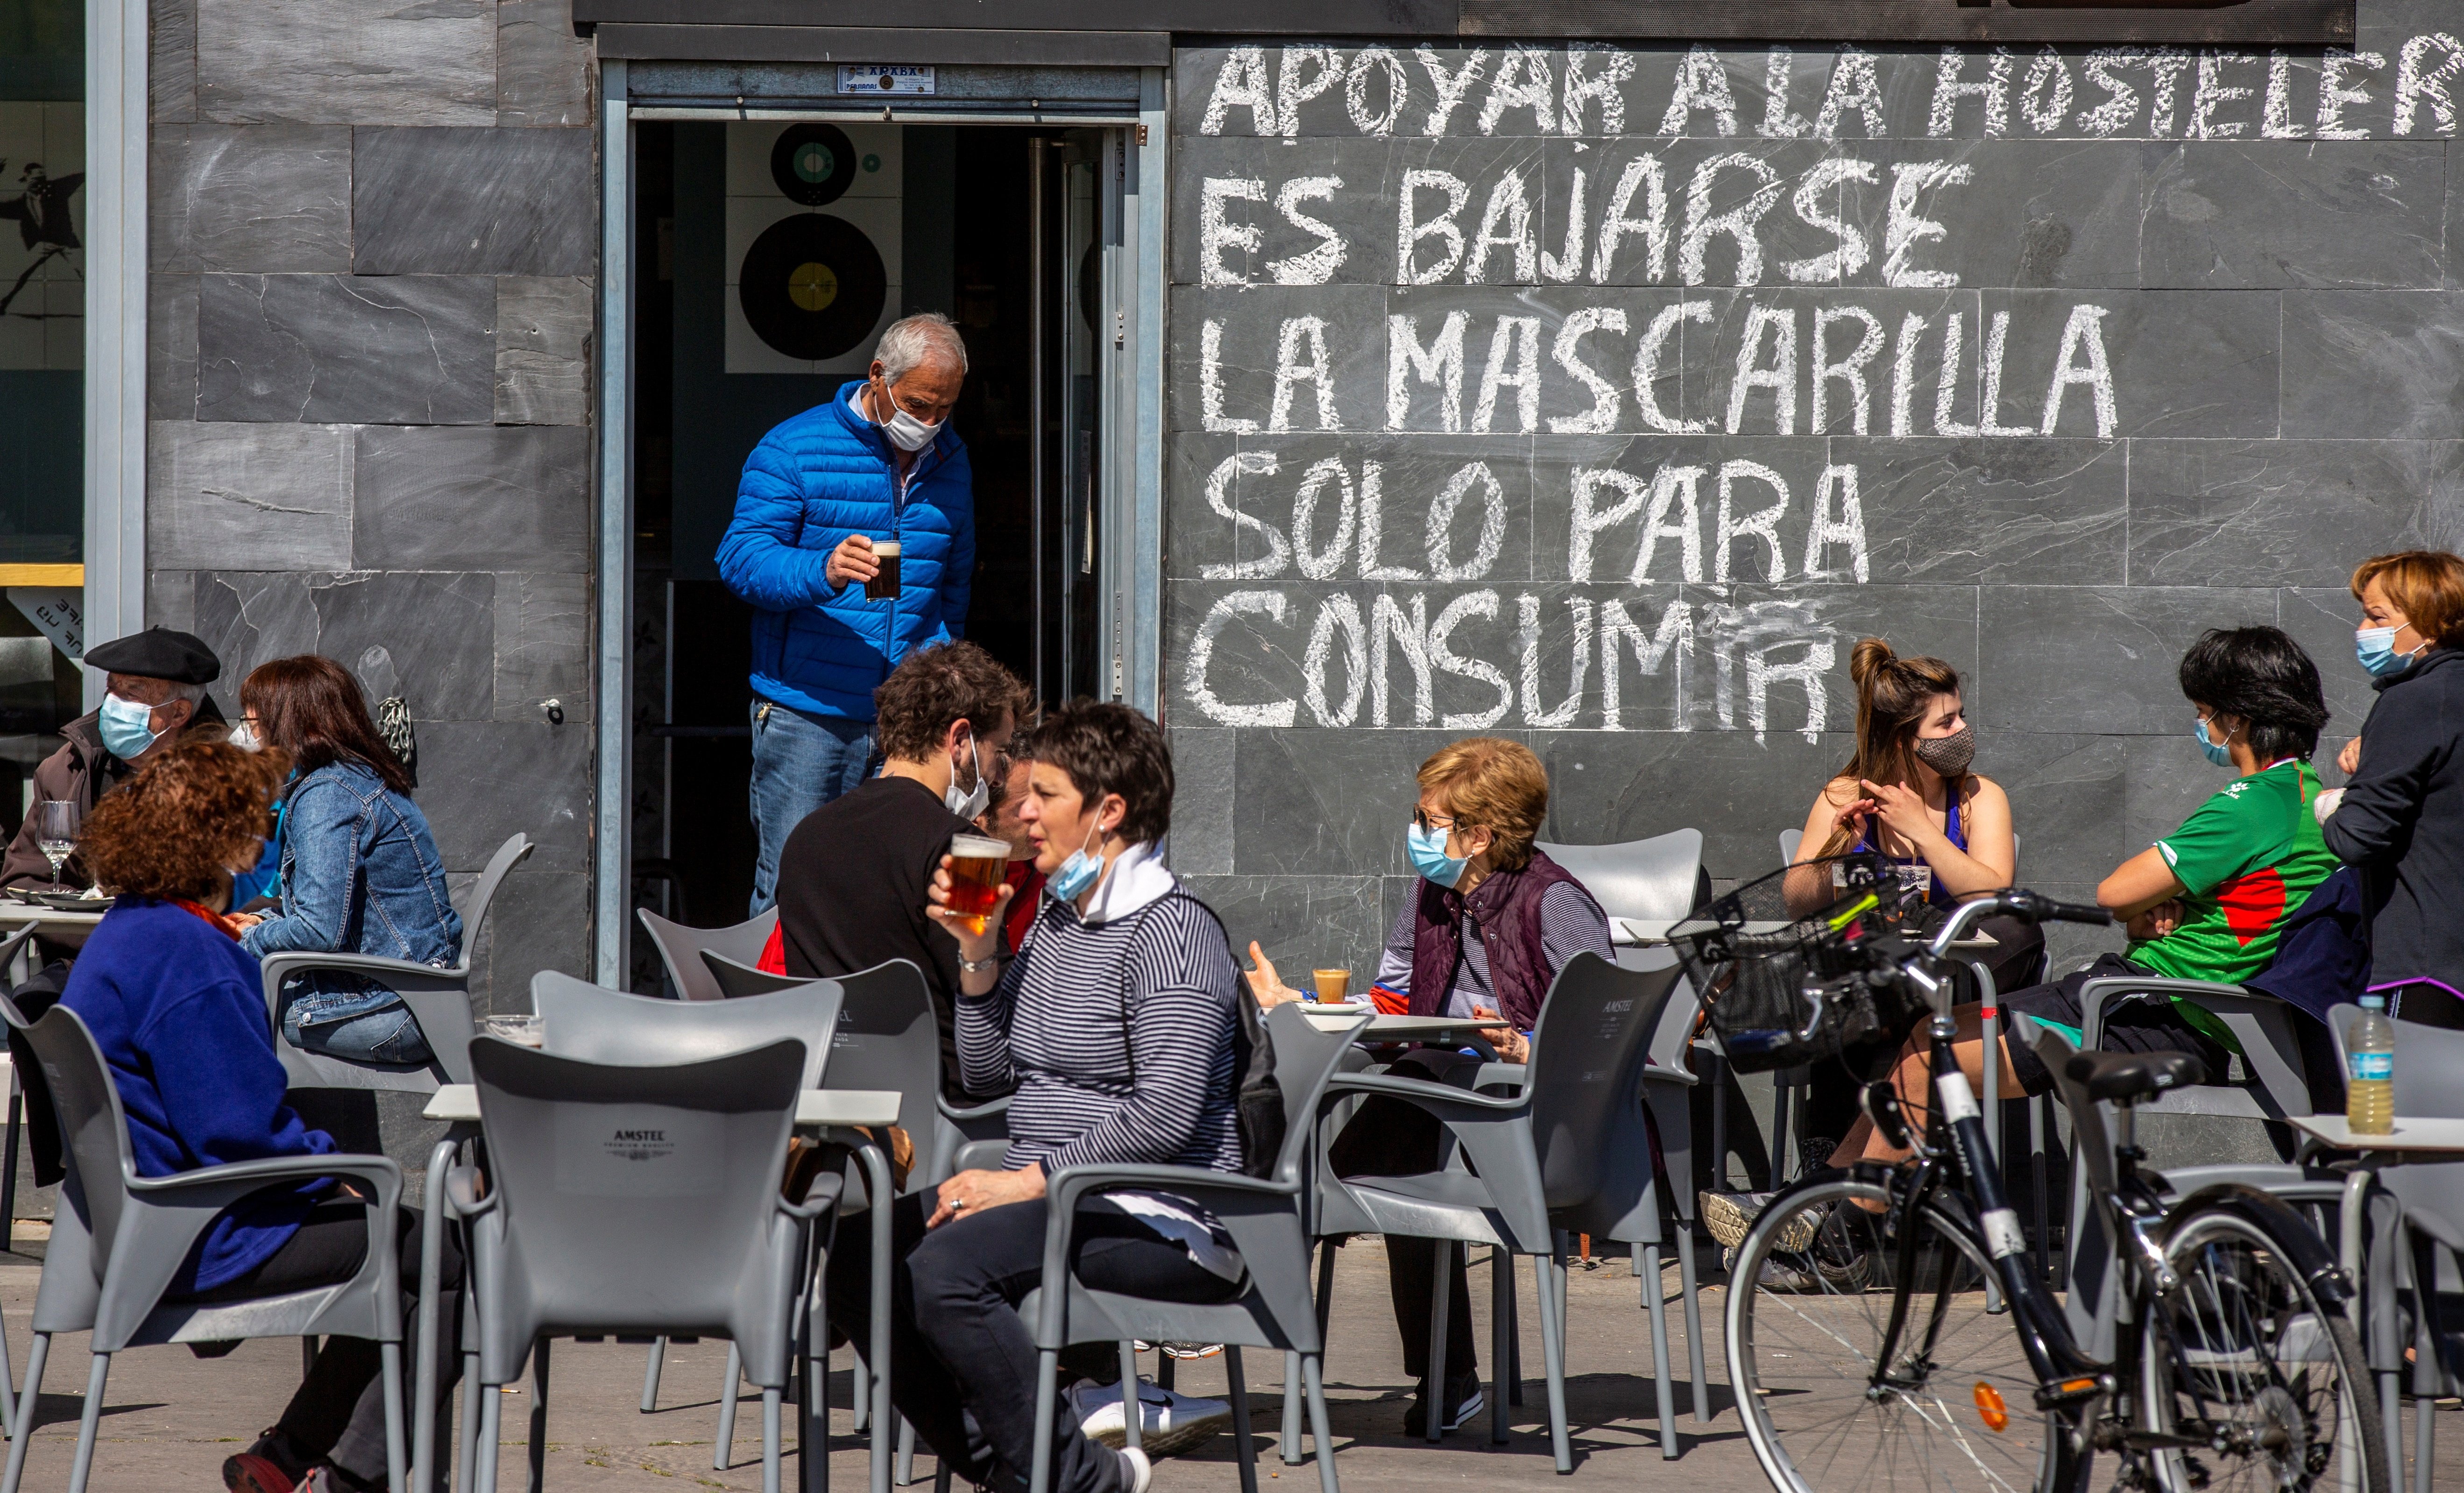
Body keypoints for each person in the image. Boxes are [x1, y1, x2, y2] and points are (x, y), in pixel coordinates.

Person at [1755, 627, 2339, 1282]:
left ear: (2235, 718)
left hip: (2147, 1006)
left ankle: (1828, 1234)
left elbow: (2112, 889)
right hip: (2143, 994)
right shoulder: (2308, 799)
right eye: (1946, 720)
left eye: (2203, 713)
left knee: (1926, 1059)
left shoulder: (2247, 805)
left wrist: (2147, 904)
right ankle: (1805, 1214)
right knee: (1925, 1041)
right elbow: (2211, 904)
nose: (2199, 727)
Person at [824, 701, 1240, 1493]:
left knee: (944, 1271)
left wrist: (1023, 1180)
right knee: (851, 1257)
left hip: (1161, 1212)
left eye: (1043, 795)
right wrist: (978, 956)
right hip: (1054, 1195)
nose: (1020, 814)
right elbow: (988, 1077)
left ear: (1108, 811)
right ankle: (1033, 1468)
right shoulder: (1056, 918)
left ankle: (1068, 1477)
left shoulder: (1174, 934)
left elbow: (1166, 1114)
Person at [50, 735, 456, 1493]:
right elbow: (238, 1130)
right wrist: (339, 1177)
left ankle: (295, 1457)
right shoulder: (187, 952)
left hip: (143, 1224)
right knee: (438, 1251)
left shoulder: (129, 932)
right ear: (227, 838)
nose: (266, 835)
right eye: (257, 821)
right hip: (201, 1235)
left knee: (406, 1241)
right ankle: (344, 1475)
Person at [1250, 737, 1612, 1436]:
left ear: (1479, 835)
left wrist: (1525, 1043)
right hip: (1449, 1089)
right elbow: (1391, 999)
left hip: (1538, 1115)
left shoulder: (1554, 903)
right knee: (1376, 1148)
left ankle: (1444, 1373)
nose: (1415, 836)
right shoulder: (1434, 895)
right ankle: (1447, 1374)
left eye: (1428, 822)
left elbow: (1606, 1029)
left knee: (1383, 1152)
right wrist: (1295, 1006)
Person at [719, 311, 977, 914]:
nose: (931, 423)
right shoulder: (794, 448)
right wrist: (823, 571)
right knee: (793, 884)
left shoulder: (950, 459)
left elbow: (954, 578)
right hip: (809, 711)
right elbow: (740, 559)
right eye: (918, 404)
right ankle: (779, 1009)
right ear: (878, 375)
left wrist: (944, 678)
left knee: (894, 890)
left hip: (909, 719)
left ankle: (872, 1010)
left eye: (945, 410)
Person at [1776, 639, 2034, 1166]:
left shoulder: (1979, 796)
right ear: (1900, 741)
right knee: (1857, 1001)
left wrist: (1923, 830)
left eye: (1960, 715)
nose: (1961, 731)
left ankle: (1831, 1185)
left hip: (1947, 993)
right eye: (1944, 724)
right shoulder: (1843, 794)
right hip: (1867, 990)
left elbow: (1993, 897)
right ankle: (1841, 1183)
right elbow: (1796, 900)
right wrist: (1836, 853)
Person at [769, 640, 1027, 1100]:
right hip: (953, 1106)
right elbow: (1000, 1011)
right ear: (959, 739)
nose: (998, 776)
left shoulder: (805, 837)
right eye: (999, 751)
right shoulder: (968, 852)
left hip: (833, 1102)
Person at [233, 656, 461, 1065]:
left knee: (211, 1007)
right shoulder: (354, 775)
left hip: (388, 1008)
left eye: (252, 724)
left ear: (288, 722)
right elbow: (327, 911)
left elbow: (319, 932)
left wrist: (243, 941)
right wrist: (262, 924)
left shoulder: (328, 793)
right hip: (406, 995)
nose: (247, 736)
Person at [2318, 551, 2464, 1026]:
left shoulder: (2414, 698)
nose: (2363, 629)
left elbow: (2357, 836)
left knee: (2405, 1103)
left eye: (2376, 616)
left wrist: (2335, 803)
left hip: (2426, 965)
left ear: (2431, 623)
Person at [0, 626, 227, 889]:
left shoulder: (231, 778)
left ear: (178, 713)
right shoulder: (70, 768)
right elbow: (25, 879)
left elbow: (260, 892)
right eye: (112, 689)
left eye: (132, 693)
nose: (112, 704)